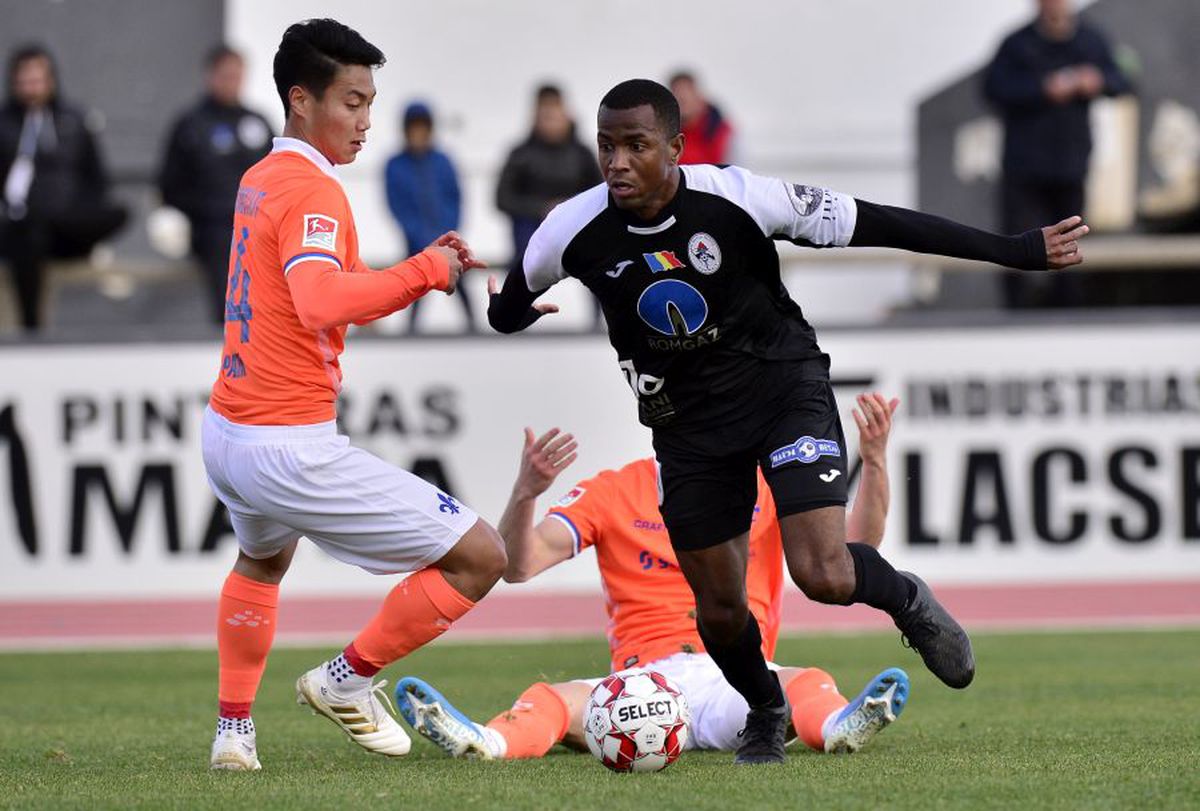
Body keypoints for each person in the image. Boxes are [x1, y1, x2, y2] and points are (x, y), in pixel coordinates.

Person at [488, 79, 1089, 765]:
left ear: (676, 149)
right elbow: (508, 305)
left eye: (635, 145)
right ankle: (765, 709)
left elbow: (881, 222)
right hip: (686, 426)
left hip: (783, 388)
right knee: (718, 607)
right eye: (606, 146)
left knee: (824, 572)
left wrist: (1015, 250)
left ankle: (908, 600)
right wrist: (512, 311)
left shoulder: (740, 197)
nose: (617, 162)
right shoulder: (572, 228)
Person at [203, 19, 505, 773]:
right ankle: (345, 680)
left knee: (261, 566)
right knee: (480, 555)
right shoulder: (312, 187)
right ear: (300, 101)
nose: (366, 120)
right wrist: (422, 274)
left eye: (370, 101)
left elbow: (305, 280)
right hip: (287, 444)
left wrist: (412, 265)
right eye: (351, 101)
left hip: (227, 430)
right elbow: (318, 300)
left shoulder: (261, 175)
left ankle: (233, 734)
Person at [395, 394, 909, 761]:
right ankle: (489, 743)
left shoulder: (762, 485)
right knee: (550, 699)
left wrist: (875, 462)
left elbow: (853, 548)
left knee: (806, 683)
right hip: (640, 686)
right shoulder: (614, 490)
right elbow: (520, 564)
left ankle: (841, 727)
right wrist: (527, 492)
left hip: (737, 676)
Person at [983, 0, 1131, 308]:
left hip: (1071, 164)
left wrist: (1098, 81)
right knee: (1017, 242)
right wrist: (1042, 89)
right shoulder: (1016, 44)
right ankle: (1015, 314)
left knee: (1071, 245)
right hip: (1024, 167)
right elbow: (993, 89)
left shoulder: (1091, 40)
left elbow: (1124, 79)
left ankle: (1068, 312)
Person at [0, 44, 127, 331]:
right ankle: (31, 328)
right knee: (28, 233)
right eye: (25, 81)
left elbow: (96, 177)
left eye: (38, 80)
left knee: (117, 213)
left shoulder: (73, 120)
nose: (32, 88)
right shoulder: (4, 124)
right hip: (20, 228)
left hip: (66, 223)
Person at [160, 45, 274, 324]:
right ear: (210, 76)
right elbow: (170, 185)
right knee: (227, 255)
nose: (232, 82)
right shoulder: (191, 124)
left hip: (259, 224)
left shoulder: (257, 123)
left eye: (237, 75)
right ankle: (233, 334)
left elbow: (279, 175)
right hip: (212, 228)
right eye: (225, 75)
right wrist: (207, 210)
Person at [496, 84, 601, 275]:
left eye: (555, 115)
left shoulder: (582, 153)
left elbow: (600, 193)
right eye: (546, 116)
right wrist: (541, 209)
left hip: (575, 224)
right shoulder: (520, 153)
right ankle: (519, 300)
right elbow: (503, 198)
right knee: (524, 249)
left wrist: (567, 208)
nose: (551, 123)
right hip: (531, 228)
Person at [383, 101, 470, 333]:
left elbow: (455, 199)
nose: (419, 134)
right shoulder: (395, 165)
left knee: (461, 284)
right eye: (414, 129)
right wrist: (422, 239)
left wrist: (447, 235)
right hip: (416, 246)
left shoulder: (443, 161)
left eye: (423, 128)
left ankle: (475, 331)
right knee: (414, 290)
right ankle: (409, 336)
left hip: (448, 243)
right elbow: (397, 206)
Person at [669, 71, 734, 166]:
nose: (682, 97)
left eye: (687, 94)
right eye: (678, 96)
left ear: (699, 96)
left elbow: (736, 174)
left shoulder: (724, 133)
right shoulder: (665, 136)